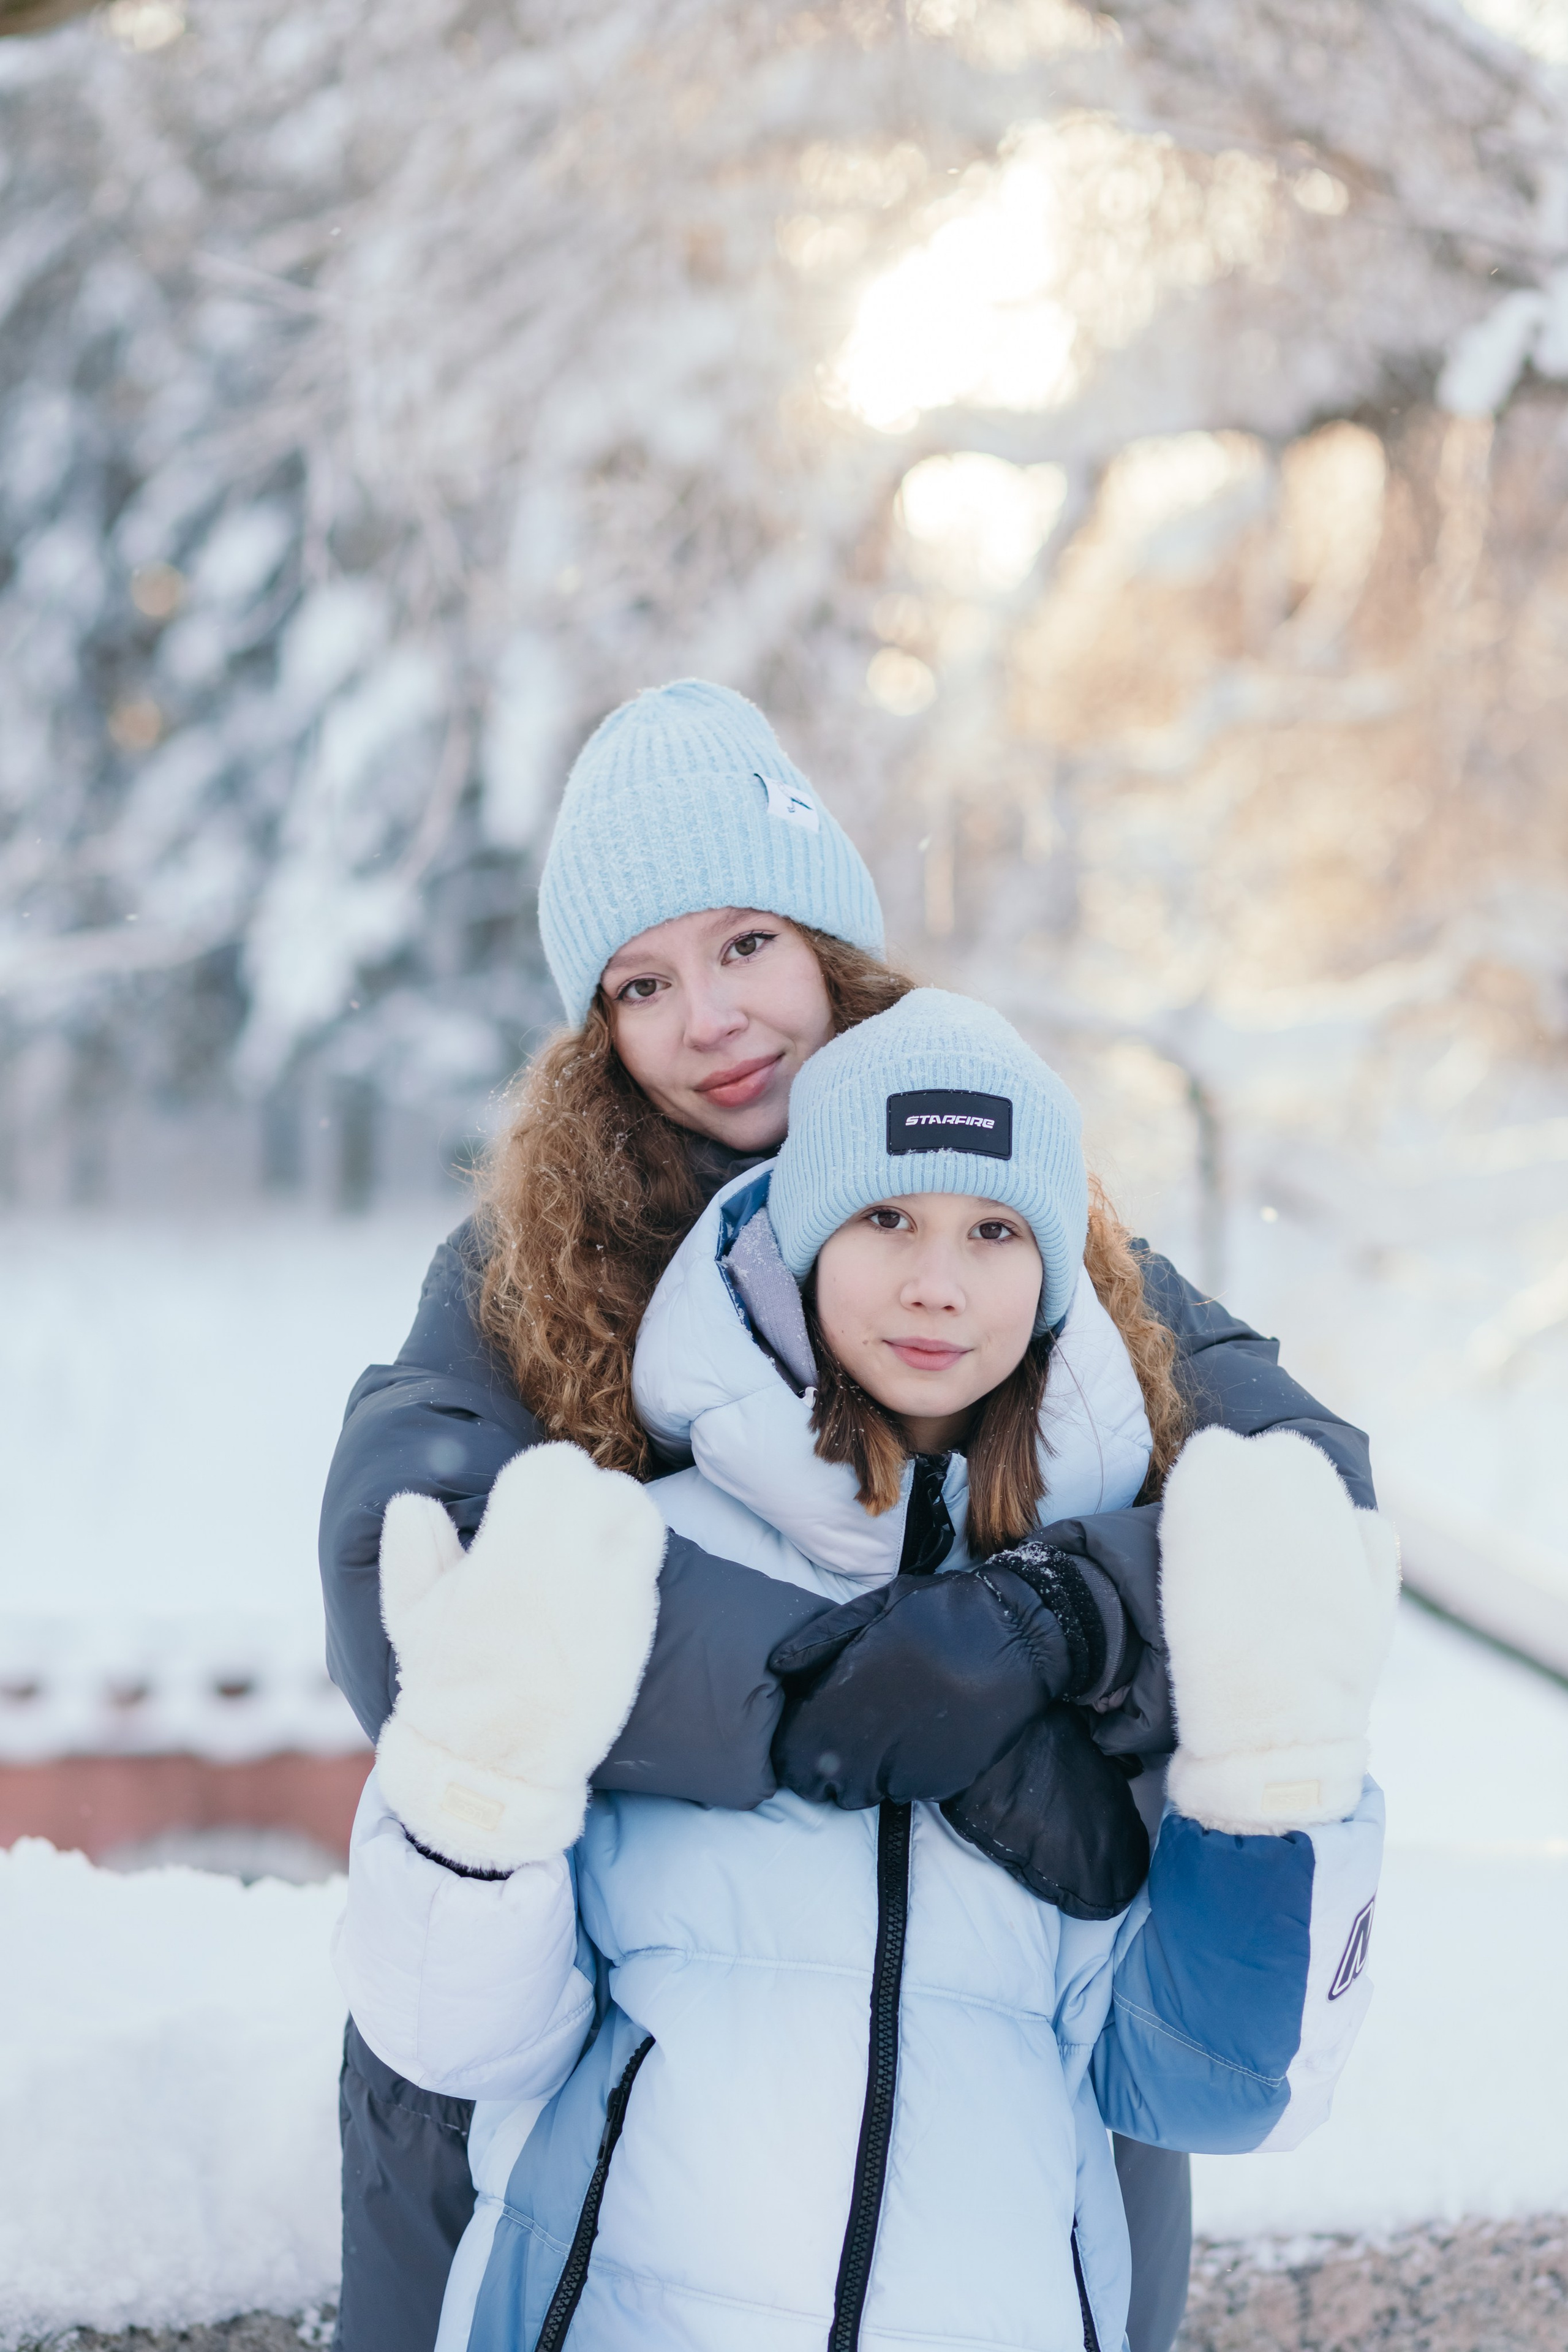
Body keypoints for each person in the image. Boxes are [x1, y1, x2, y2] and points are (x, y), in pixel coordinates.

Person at [318, 680, 1378, 2352]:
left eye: (747, 943)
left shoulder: (1001, 1191)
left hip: (993, 2108)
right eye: (643, 982)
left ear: (828, 941)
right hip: (589, 2070)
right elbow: (410, 1575)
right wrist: (849, 1690)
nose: (714, 1016)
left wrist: (1051, 1624)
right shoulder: (524, 1269)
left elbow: (1303, 1507)